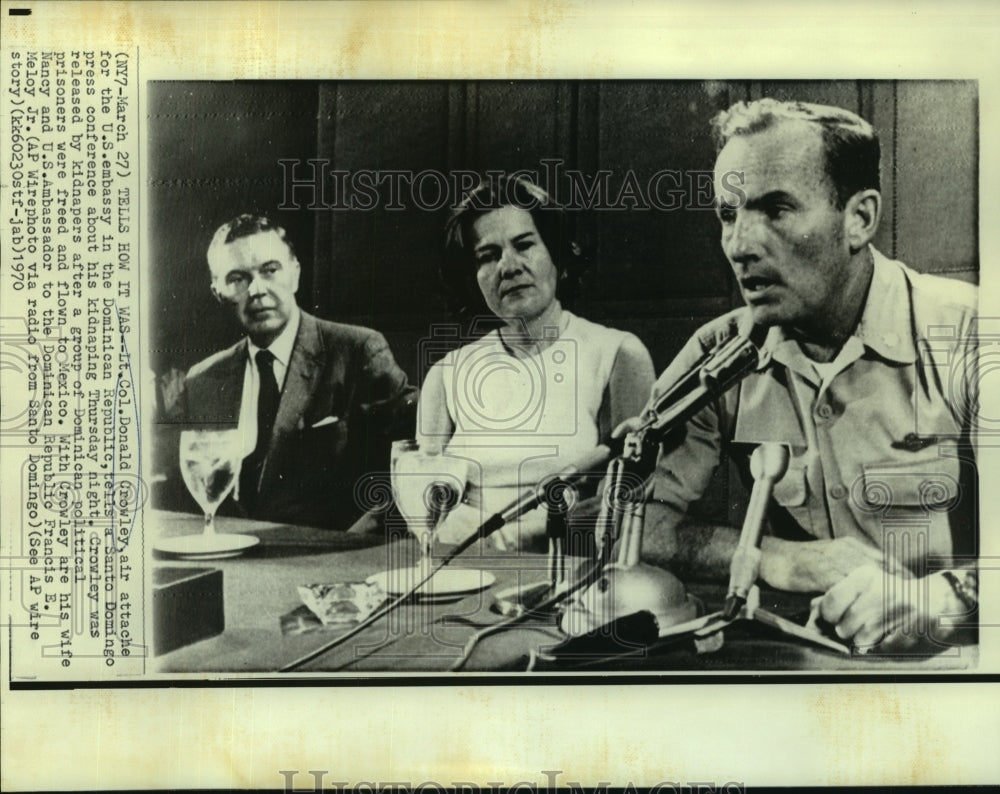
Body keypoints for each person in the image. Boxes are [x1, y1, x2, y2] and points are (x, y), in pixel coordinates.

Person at [637, 99, 979, 654]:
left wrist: (946, 598)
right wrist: (779, 558)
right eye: (729, 214)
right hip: (800, 661)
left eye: (776, 209)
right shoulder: (718, 354)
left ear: (859, 219)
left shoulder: (970, 333)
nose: (740, 245)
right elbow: (630, 522)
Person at [418, 175, 656, 551]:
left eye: (524, 245)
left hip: (563, 568)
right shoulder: (446, 374)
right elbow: (424, 503)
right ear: (473, 278)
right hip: (455, 566)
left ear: (557, 255)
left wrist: (514, 536)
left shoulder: (618, 354)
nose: (508, 267)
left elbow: (630, 498)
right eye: (488, 255)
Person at [163, 213, 418, 531]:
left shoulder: (357, 351)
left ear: (295, 273)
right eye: (237, 278)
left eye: (270, 271)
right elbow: (187, 498)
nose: (256, 289)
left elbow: (416, 458)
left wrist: (355, 541)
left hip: (334, 561)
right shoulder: (202, 379)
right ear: (218, 291)